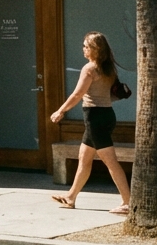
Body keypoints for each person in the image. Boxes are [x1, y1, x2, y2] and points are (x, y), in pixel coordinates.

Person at [50, 31, 131, 214]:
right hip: (106, 115)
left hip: (95, 118)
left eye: (86, 46)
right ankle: (70, 197)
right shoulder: (109, 68)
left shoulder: (90, 69)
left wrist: (60, 111)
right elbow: (112, 94)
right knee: (84, 159)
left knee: (111, 162)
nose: (83, 49)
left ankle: (128, 202)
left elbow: (77, 94)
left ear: (96, 49)